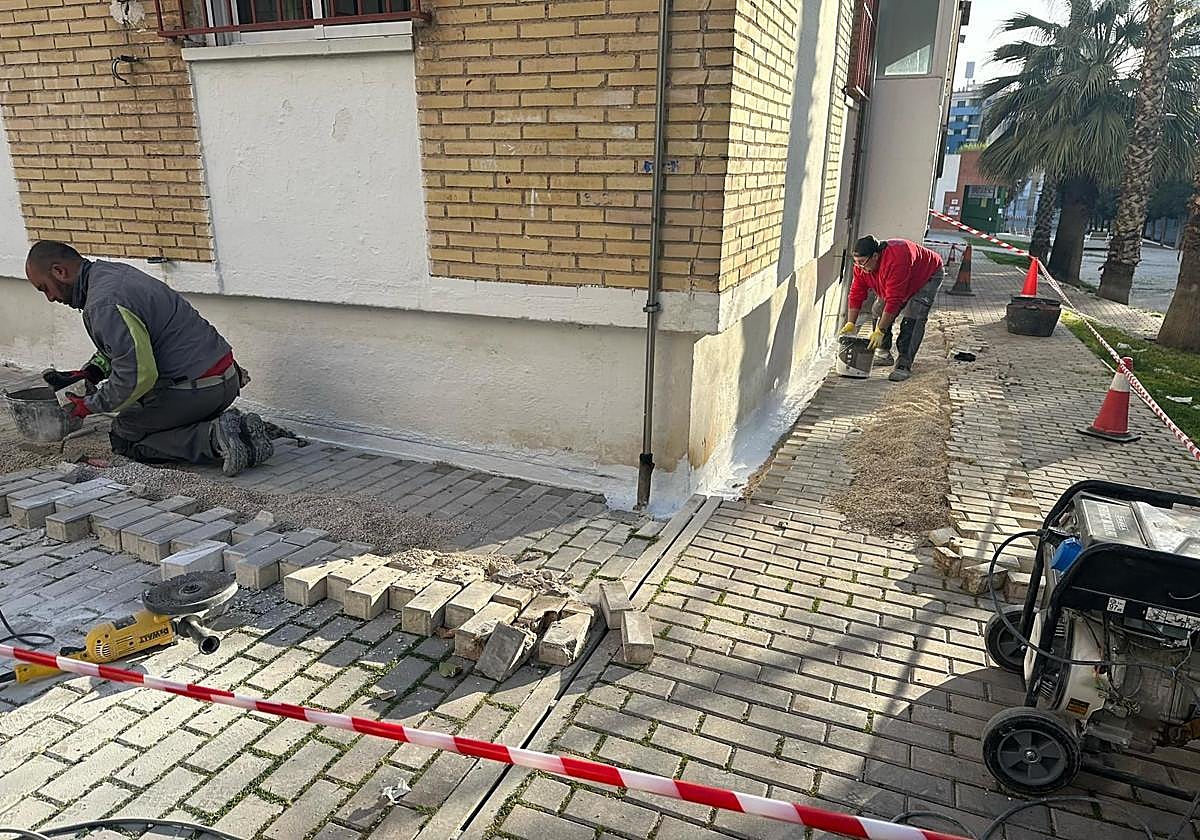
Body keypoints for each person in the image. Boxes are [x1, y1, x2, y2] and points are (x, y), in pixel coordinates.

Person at [25, 240, 272, 476]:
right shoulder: (110, 274)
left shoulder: (104, 304)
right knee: (144, 410)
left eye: (44, 288)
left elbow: (136, 377)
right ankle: (239, 430)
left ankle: (214, 438)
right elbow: (129, 345)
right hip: (225, 379)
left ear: (59, 271)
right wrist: (92, 372)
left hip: (198, 390)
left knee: (125, 435)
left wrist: (89, 405)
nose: (50, 298)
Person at [839, 235, 945, 382]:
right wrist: (851, 322)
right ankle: (883, 353)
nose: (859, 267)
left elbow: (894, 300)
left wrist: (880, 330)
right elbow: (856, 293)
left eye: (862, 262)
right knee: (878, 309)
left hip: (927, 276)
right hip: (903, 279)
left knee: (913, 316)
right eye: (856, 262)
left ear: (875, 256)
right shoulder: (862, 268)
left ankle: (903, 364)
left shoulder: (896, 260)